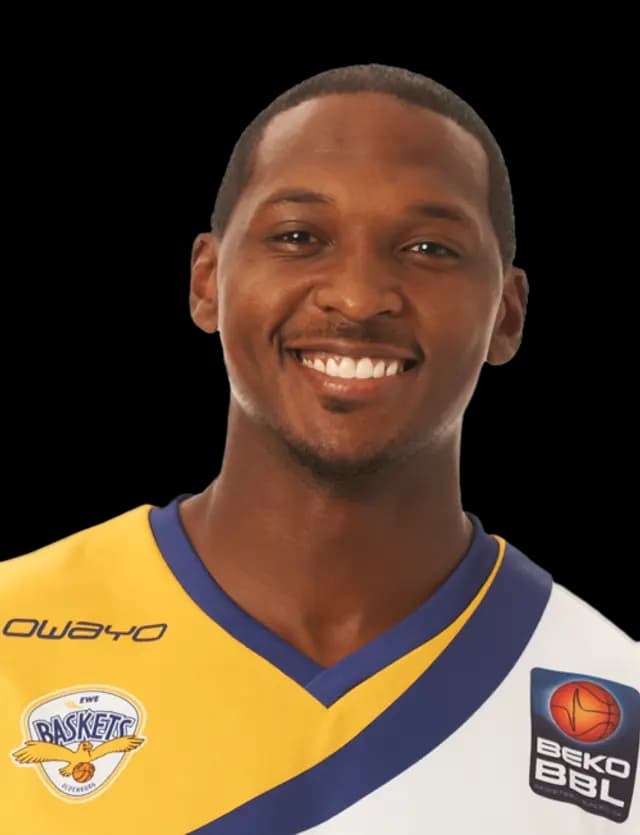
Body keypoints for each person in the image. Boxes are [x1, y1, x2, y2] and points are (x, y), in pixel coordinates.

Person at [1, 63, 637, 834]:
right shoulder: (12, 631)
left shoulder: (615, 701)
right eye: (299, 237)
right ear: (207, 280)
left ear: (507, 313)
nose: (359, 297)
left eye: (429, 247)